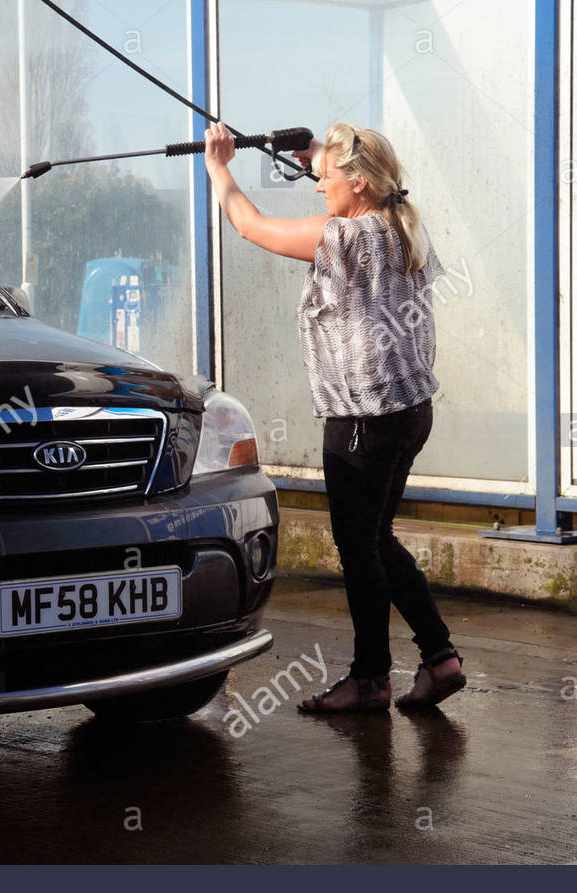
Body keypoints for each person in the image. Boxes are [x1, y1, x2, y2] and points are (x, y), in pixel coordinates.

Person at [202, 120, 465, 712]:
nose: (317, 187)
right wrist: (318, 155)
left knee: (359, 548)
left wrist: (220, 166)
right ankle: (440, 658)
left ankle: (371, 680)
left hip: (361, 422)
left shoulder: (342, 238)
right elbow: (347, 183)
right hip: (409, 412)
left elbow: (250, 225)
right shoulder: (403, 229)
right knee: (377, 538)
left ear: (359, 183)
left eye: (324, 179)